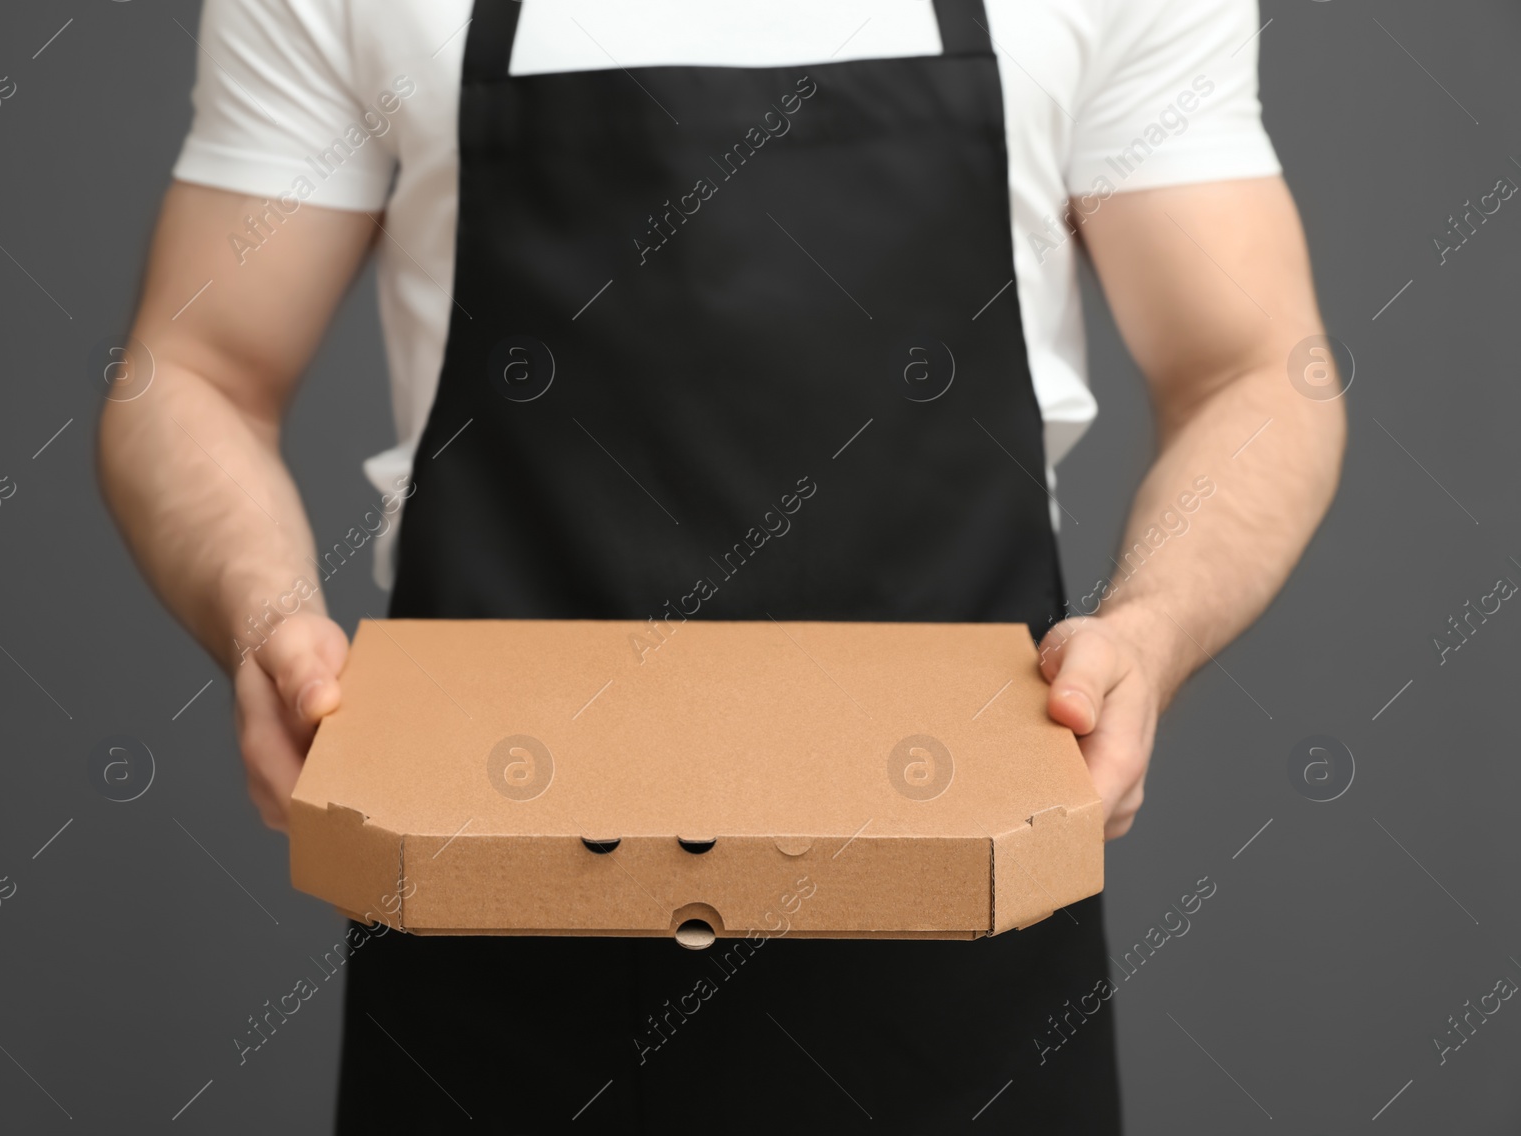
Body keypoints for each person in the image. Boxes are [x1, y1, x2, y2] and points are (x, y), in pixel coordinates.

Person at [99, 0, 1345, 1130]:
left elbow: (1254, 370)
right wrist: (259, 612)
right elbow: (192, 369)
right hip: (487, 917)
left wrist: (1149, 629)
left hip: (961, 918)